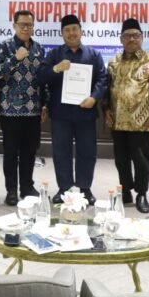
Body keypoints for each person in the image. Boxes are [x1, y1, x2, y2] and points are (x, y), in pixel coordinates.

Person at [39, 14, 108, 206]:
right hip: (60, 113)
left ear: (80, 31)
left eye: (74, 29)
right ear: (62, 34)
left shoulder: (93, 55)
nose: (71, 33)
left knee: (87, 151)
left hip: (86, 112)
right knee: (61, 151)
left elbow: (103, 79)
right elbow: (41, 77)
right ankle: (65, 188)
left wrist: (94, 97)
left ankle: (85, 188)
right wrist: (55, 69)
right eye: (67, 30)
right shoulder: (54, 55)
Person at [104, 18, 149, 213]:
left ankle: (142, 194)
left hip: (141, 121)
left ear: (142, 37)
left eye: (135, 35)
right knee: (121, 160)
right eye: (127, 36)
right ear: (121, 39)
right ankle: (125, 191)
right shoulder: (114, 61)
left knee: (141, 161)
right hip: (118, 120)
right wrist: (106, 110)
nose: (131, 39)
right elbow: (107, 89)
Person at [0, 10, 47, 206]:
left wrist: (45, 103)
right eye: (22, 24)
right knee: (11, 151)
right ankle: (11, 190)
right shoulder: (5, 46)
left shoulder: (39, 48)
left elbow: (42, 79)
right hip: (10, 109)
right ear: (14, 25)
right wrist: (15, 58)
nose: (26, 28)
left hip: (33, 108)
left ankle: (26, 187)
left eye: (29, 25)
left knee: (30, 151)